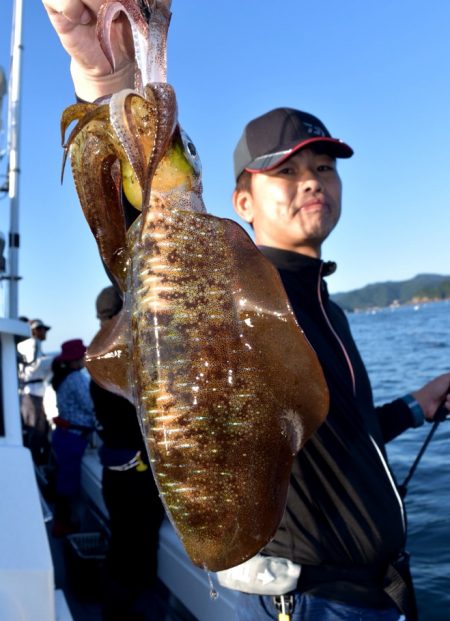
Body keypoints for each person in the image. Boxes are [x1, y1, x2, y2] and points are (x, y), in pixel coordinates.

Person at [41, 3, 450, 619]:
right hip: (320, 601)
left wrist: (413, 408)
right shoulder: (238, 298)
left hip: (386, 589)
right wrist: (111, 83)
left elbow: (335, 435)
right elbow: (156, 243)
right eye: (286, 171)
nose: (312, 181)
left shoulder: (324, 303)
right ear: (241, 201)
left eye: (323, 167)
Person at [90, 286, 165, 621]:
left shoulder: (97, 354)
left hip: (114, 467)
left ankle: (113, 609)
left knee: (120, 540)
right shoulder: (130, 352)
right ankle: (132, 609)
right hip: (137, 470)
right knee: (141, 542)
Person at [51, 338, 95, 537]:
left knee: (64, 481)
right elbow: (90, 405)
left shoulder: (62, 377)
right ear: (75, 360)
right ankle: (63, 524)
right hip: (73, 438)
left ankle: (63, 520)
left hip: (64, 436)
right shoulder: (76, 378)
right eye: (83, 355)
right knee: (68, 484)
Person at [17, 318, 53, 464]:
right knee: (36, 431)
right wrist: (55, 360)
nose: (45, 332)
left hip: (33, 393)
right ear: (35, 331)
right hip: (32, 394)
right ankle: (33, 463)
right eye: (43, 329)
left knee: (37, 430)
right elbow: (32, 368)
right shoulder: (32, 343)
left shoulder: (28, 344)